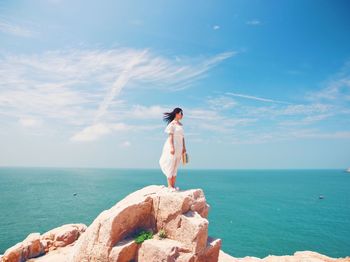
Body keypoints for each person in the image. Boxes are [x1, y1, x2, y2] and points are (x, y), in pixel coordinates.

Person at [159, 107, 186, 191]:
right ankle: (169, 186)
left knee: (176, 165)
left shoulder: (181, 125)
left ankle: (173, 186)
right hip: (172, 146)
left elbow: (182, 138)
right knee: (170, 164)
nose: (182, 115)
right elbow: (170, 137)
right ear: (177, 114)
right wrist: (172, 147)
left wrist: (184, 148)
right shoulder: (172, 124)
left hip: (180, 146)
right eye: (181, 113)